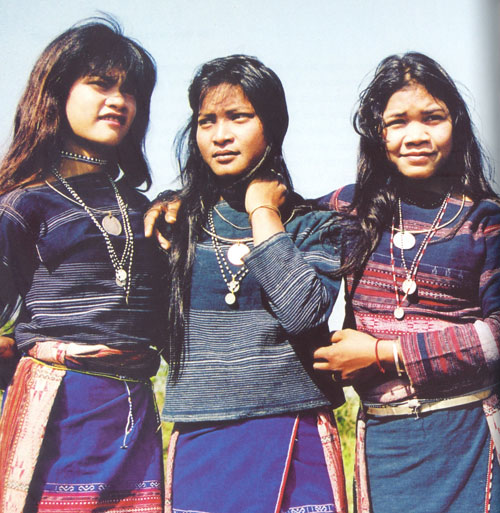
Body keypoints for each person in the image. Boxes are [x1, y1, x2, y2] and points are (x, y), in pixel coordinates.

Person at [156, 54, 361, 513]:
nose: (220, 135)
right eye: (206, 121)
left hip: (295, 430)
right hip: (202, 436)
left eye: (239, 116)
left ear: (273, 125)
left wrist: (263, 211)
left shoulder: (314, 225)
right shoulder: (175, 227)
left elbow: (303, 311)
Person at [313, 52, 500, 513]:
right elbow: (266, 200)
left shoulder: (484, 221)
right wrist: (177, 199)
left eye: (432, 118)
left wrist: (383, 353)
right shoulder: (350, 210)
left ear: (456, 125)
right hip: (384, 443)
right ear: (377, 132)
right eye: (397, 122)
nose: (415, 135)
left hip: (469, 438)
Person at [0, 19, 165, 512]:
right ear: (56, 92)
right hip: (56, 411)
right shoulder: (25, 204)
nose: (119, 101)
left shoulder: (148, 211)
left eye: (130, 91)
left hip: (132, 412)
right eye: (101, 84)